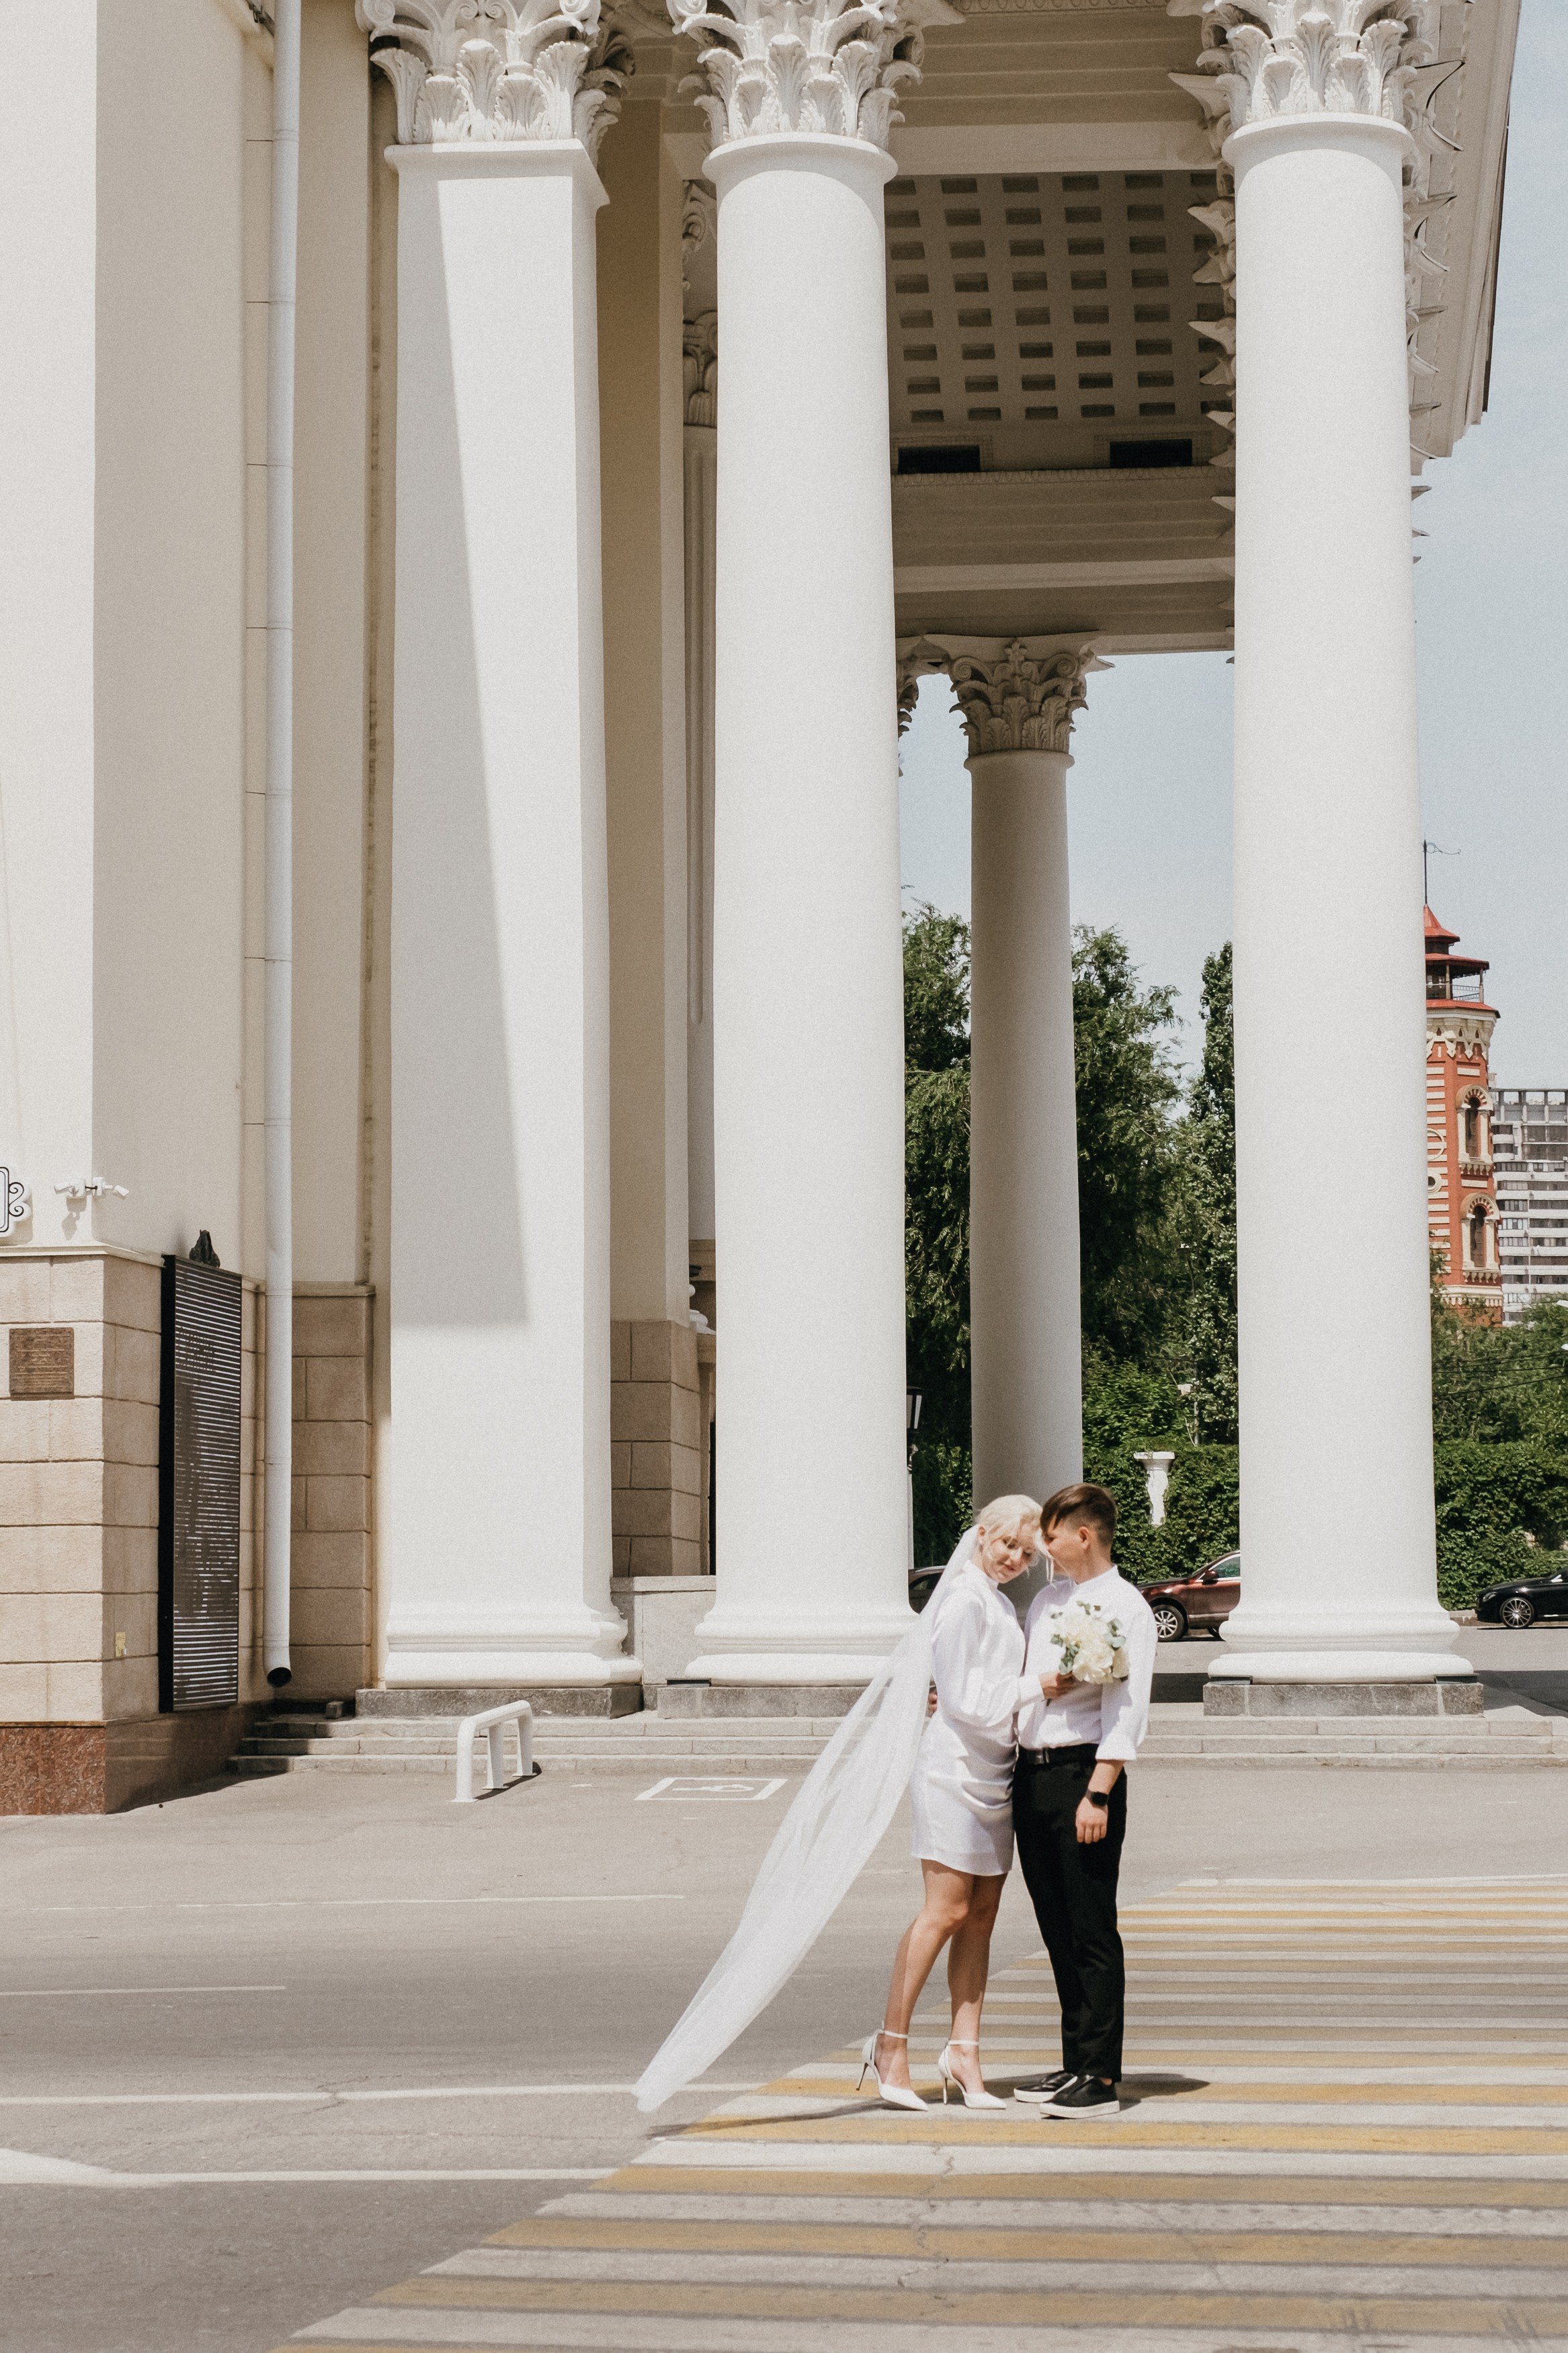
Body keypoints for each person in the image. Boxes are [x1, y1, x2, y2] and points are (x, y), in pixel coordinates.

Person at [860, 1494, 1041, 2111]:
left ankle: (964, 2052)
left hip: (995, 1765)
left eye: (1025, 1551)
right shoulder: (964, 1598)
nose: (1015, 1558)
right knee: (945, 1910)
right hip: (952, 1770)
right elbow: (963, 1700)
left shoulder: (993, 1598)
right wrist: (1037, 1686)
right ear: (982, 1535)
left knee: (983, 1913)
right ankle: (890, 2044)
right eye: (1007, 1545)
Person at [1010, 1481, 1156, 2120]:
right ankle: (1073, 2061)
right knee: (1055, 1926)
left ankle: (1099, 2076)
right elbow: (1026, 1682)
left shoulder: (1127, 1607)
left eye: (1050, 1532)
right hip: (1032, 1773)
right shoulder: (1046, 1601)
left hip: (1083, 1777)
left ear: (1083, 1535)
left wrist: (1099, 1792)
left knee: (1092, 1927)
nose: (1043, 1544)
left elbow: (1126, 1708)